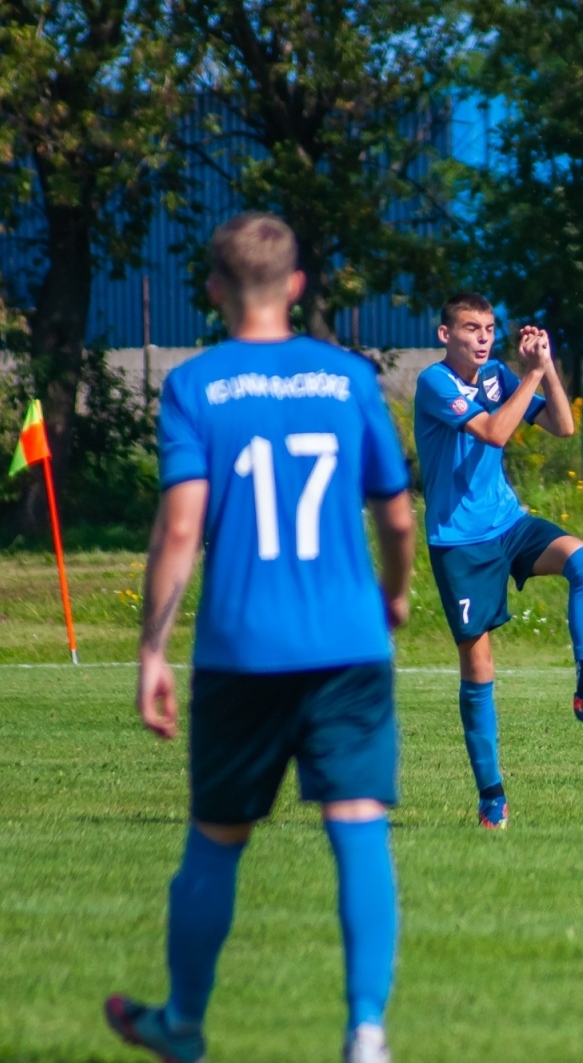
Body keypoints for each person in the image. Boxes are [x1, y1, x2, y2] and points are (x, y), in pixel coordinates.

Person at [106, 213, 416, 1063]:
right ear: (297, 285)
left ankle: (184, 1025)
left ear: (213, 289)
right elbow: (396, 516)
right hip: (348, 642)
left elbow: (180, 530)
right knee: (358, 828)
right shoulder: (348, 379)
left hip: (241, 649)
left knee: (217, 837)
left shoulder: (194, 385)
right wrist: (393, 594)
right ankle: (366, 1033)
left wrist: (151, 652)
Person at [415, 292, 583, 830]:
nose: (482, 337)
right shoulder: (434, 383)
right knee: (479, 669)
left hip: (508, 523)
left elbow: (564, 426)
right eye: (470, 328)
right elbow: (495, 432)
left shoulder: (499, 375)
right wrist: (528, 374)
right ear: (445, 335)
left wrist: (545, 367)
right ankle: (492, 796)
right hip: (459, 542)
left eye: (488, 328)